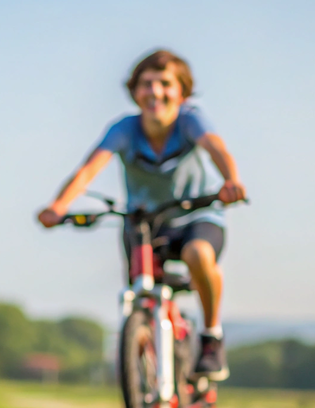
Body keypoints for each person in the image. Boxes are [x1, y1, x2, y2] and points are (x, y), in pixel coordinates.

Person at [38, 49, 247, 381]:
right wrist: (57, 207)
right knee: (140, 289)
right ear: (134, 92)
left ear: (182, 92)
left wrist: (231, 181)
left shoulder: (191, 120)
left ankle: (210, 337)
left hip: (197, 214)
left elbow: (216, 148)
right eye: (146, 84)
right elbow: (88, 170)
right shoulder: (124, 129)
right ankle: (145, 357)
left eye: (165, 83)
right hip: (146, 222)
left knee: (198, 254)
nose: (155, 92)